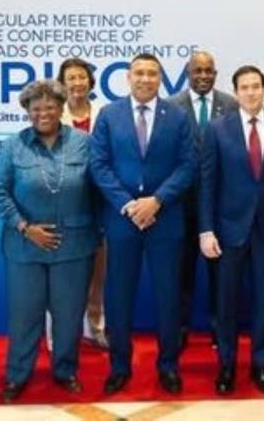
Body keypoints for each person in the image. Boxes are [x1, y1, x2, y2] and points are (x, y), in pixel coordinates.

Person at [90, 53, 197, 395]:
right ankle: (119, 366)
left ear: (160, 79)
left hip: (166, 220)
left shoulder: (178, 116)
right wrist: (127, 204)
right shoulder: (109, 115)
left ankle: (168, 366)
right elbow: (99, 165)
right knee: (119, 296)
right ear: (128, 77)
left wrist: (158, 200)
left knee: (169, 297)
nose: (146, 79)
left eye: (152, 74)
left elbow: (188, 165)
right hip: (122, 221)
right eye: (139, 73)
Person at [0, 80, 98, 402]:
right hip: (25, 247)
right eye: (36, 108)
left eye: (50, 107)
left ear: (61, 108)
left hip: (74, 247)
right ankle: (17, 375)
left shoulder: (84, 143)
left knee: (69, 316)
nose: (43, 113)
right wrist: (25, 227)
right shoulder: (13, 146)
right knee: (24, 316)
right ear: (27, 111)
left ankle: (65, 371)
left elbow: (100, 186)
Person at [199, 65, 264, 395]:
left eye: (256, 86)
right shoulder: (217, 128)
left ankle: (260, 365)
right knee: (226, 302)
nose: (251, 92)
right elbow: (208, 183)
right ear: (236, 92)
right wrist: (206, 229)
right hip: (228, 231)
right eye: (244, 87)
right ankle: (227, 366)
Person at [171, 50, 238, 348]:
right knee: (181, 273)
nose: (203, 76)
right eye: (197, 71)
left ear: (215, 73)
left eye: (208, 71)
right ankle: (180, 329)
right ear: (188, 73)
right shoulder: (171, 107)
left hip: (221, 205)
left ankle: (219, 329)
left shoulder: (231, 105)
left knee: (220, 275)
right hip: (181, 205)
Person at [58, 57, 108, 348]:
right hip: (63, 203)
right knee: (62, 273)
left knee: (99, 271)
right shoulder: (52, 112)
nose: (77, 83)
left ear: (90, 81)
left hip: (101, 203)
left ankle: (96, 328)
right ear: (62, 84)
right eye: (71, 78)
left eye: (81, 77)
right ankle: (60, 334)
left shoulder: (106, 112)